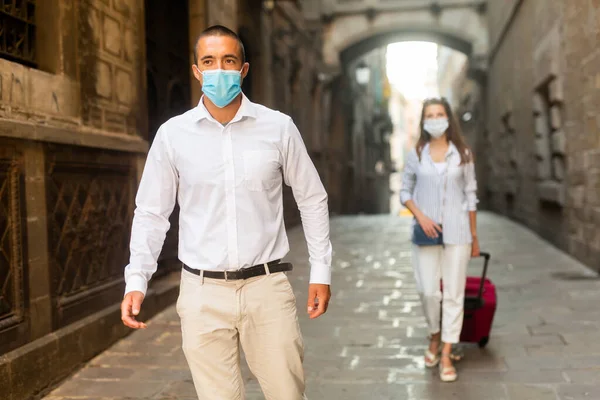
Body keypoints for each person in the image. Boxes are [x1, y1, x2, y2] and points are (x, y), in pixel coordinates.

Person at [120, 25, 332, 400]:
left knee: (288, 393)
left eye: (228, 60)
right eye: (209, 61)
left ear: (244, 69)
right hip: (202, 294)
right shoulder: (173, 135)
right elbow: (152, 212)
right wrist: (138, 278)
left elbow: (312, 198)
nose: (219, 69)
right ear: (197, 71)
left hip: (266, 288)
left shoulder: (278, 128)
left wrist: (321, 271)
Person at [400, 97, 479, 382]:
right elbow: (405, 191)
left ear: (449, 117)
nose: (435, 119)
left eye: (440, 113)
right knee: (428, 291)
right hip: (426, 232)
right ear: (424, 121)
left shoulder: (464, 153)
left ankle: (446, 351)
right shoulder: (416, 153)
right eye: (430, 115)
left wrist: (474, 236)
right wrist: (420, 216)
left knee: (454, 294)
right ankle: (434, 334)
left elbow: (471, 196)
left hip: (458, 233)